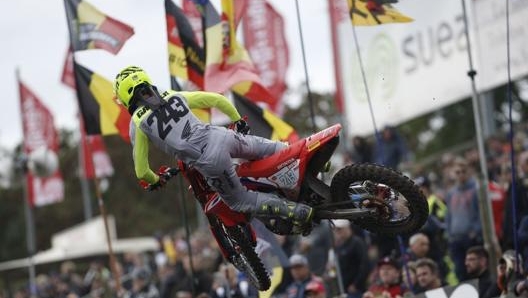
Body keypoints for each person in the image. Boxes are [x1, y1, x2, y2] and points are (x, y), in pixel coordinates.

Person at [113, 66, 313, 232]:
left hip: (210, 160)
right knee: (277, 149)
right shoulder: (172, 95)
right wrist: (236, 120)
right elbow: (218, 100)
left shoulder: (137, 123)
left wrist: (156, 180)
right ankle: (313, 158)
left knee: (240, 201)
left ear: (124, 96)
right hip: (223, 135)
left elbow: (141, 170)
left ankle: (296, 212)